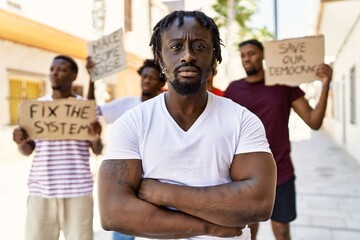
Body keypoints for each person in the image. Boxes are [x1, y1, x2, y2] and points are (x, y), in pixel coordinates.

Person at [98, 10, 277, 240]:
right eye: (176, 47)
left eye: (200, 46)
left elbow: (258, 204)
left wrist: (163, 192)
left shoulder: (242, 120)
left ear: (214, 58)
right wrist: (209, 228)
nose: (188, 56)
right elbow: (113, 214)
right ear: (160, 58)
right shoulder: (132, 123)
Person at [223, 39, 333, 240]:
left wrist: (325, 85)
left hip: (280, 171)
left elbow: (313, 121)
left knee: (281, 231)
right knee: (248, 231)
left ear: (264, 55)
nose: (247, 58)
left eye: (252, 53)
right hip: (244, 175)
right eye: (243, 55)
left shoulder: (284, 86)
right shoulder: (233, 90)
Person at [12, 55, 103, 240]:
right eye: (52, 69)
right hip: (41, 192)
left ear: (73, 76)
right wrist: (20, 142)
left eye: (61, 69)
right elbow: (27, 150)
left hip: (78, 191)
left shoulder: (86, 108)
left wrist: (95, 137)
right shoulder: (35, 108)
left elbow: (97, 150)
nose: (54, 73)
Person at [87, 57, 166, 124]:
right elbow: (92, 111)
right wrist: (91, 79)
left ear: (161, 83)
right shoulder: (125, 103)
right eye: (144, 76)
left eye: (153, 78)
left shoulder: (164, 110)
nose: (147, 81)